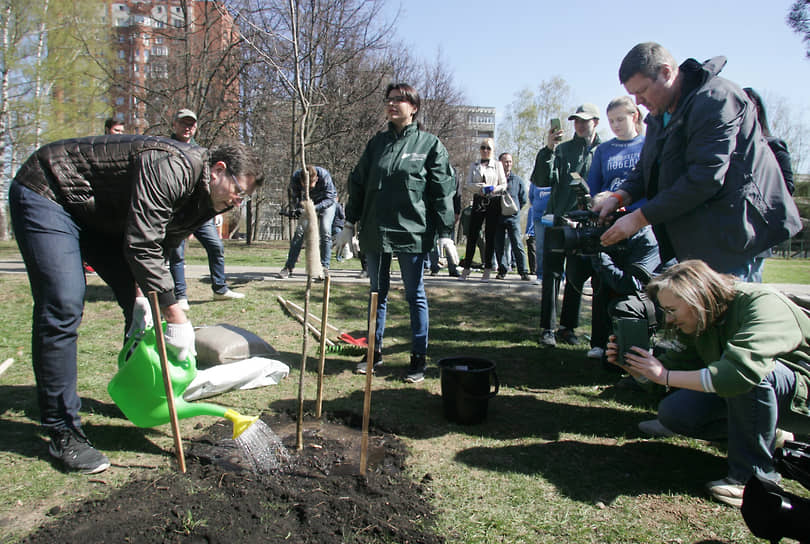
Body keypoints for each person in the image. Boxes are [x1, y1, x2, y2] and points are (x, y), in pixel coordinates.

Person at [9, 134, 263, 474]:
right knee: (63, 303)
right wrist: (177, 316)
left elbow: (164, 244)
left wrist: (144, 298)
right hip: (51, 191)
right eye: (238, 192)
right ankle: (62, 429)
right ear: (219, 170)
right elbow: (142, 244)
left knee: (140, 302)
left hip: (98, 215)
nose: (237, 202)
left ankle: (140, 395)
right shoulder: (172, 166)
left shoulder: (208, 198)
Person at [607, 260, 810, 507]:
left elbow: (739, 373)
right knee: (675, 413)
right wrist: (635, 368)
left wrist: (665, 376)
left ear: (696, 298)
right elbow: (670, 369)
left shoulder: (762, 303)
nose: (668, 320)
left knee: (755, 372)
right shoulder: (704, 318)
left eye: (672, 310)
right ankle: (771, 436)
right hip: (766, 395)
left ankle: (753, 479)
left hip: (803, 400)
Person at [595, 42, 802, 278]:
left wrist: (639, 218)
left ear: (666, 72)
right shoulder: (659, 113)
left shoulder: (716, 100)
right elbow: (645, 169)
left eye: (641, 91)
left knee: (728, 312)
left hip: (734, 237)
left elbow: (704, 178)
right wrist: (619, 196)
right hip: (696, 241)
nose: (638, 101)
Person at [346, 83, 455, 383]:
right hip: (376, 230)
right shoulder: (376, 144)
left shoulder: (429, 145)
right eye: (389, 100)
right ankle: (373, 352)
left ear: (414, 107)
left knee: (414, 294)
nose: (392, 105)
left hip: (413, 232)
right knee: (376, 294)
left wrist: (446, 231)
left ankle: (418, 357)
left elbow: (442, 191)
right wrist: (348, 222)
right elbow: (358, 182)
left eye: (399, 100)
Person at [531, 104, 602, 346]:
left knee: (576, 277)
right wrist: (549, 148)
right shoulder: (562, 150)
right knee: (552, 276)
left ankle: (567, 327)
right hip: (558, 222)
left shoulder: (604, 151)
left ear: (596, 122)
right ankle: (547, 329)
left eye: (585, 121)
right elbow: (542, 180)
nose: (580, 125)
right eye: (576, 121)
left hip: (587, 225)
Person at [166, 109, 245, 308]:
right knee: (177, 254)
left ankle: (219, 289)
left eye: (191, 124)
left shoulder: (201, 153)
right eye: (183, 123)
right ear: (174, 125)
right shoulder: (165, 149)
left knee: (216, 247)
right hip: (176, 212)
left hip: (200, 212)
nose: (187, 128)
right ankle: (180, 296)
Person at [586, 192, 660, 361]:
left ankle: (634, 357)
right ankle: (600, 343)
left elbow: (629, 285)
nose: (602, 225)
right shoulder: (604, 233)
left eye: (606, 219)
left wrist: (600, 254)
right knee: (599, 282)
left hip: (653, 297)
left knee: (623, 306)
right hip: (630, 289)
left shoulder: (643, 236)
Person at [742, 87, 795, 283]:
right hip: (732, 231)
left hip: (757, 229)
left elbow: (786, 187)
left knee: (751, 283)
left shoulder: (773, 145)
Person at [459, 138, 507, 282]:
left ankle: (487, 269)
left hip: (493, 201)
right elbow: (468, 184)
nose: (485, 151)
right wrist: (479, 188)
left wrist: (493, 188)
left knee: (490, 235)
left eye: (488, 148)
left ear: (492, 150)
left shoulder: (497, 165)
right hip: (479, 200)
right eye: (483, 148)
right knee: (473, 235)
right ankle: (466, 268)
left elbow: (503, 184)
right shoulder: (475, 165)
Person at [587, 96, 646, 211]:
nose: (615, 125)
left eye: (620, 119)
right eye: (611, 121)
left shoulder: (648, 144)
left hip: (642, 216)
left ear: (634, 117)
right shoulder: (602, 150)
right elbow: (593, 188)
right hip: (610, 214)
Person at [278, 165, 337, 277]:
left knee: (325, 231)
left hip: (326, 204)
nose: (309, 188)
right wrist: (298, 208)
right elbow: (295, 197)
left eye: (311, 185)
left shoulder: (324, 175)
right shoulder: (296, 177)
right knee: (299, 233)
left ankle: (324, 266)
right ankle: (288, 267)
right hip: (307, 203)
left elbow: (330, 198)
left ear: (316, 179)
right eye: (306, 186)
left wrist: (313, 208)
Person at [495, 153, 530, 280]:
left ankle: (523, 271)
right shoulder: (495, 179)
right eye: (505, 162)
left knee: (517, 244)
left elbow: (523, 199)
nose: (508, 164)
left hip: (513, 218)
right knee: (499, 245)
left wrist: (514, 209)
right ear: (499, 163)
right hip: (498, 217)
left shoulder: (518, 180)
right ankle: (502, 270)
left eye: (510, 161)